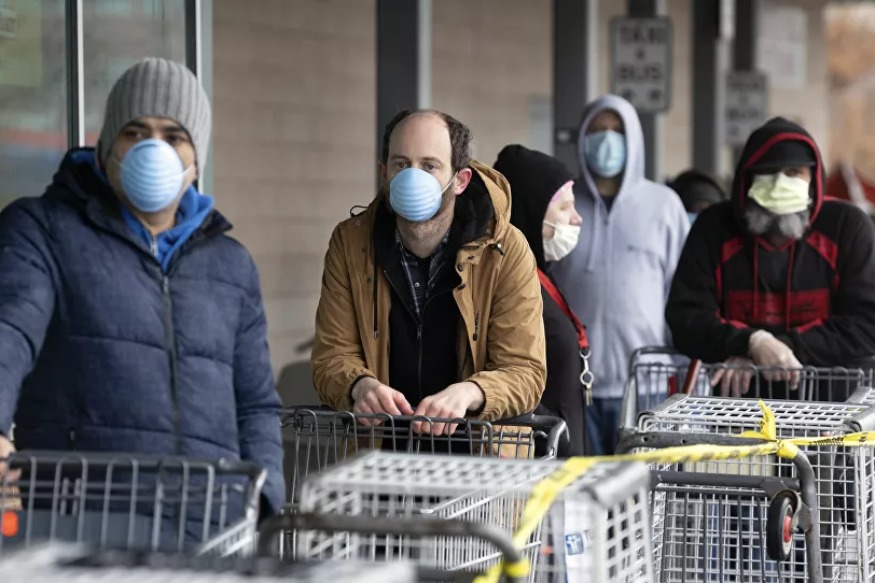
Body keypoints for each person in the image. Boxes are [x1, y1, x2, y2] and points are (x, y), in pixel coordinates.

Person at [0, 58, 284, 516]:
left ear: (196, 158)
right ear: (106, 146)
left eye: (174, 137)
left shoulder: (231, 264)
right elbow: (9, 330)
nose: (155, 149)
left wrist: (263, 498)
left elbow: (254, 402)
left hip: (207, 527)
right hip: (83, 522)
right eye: (135, 132)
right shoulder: (43, 232)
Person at [311, 110, 546, 438]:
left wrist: (469, 393)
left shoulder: (504, 250)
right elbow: (331, 356)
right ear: (384, 173)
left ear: (460, 180)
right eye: (401, 164)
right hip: (381, 457)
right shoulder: (351, 245)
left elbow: (525, 371)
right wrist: (358, 386)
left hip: (478, 464)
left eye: (429, 165)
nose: (412, 177)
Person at [666, 117, 875, 400]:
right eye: (768, 172)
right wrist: (752, 342)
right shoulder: (714, 228)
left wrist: (774, 349)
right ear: (747, 178)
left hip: (832, 415)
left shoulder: (847, 228)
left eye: (793, 172)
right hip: (740, 414)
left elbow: (866, 322)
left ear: (813, 178)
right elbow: (686, 317)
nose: (780, 183)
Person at [550, 95, 689, 455]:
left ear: (634, 140)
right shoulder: (562, 203)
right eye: (597, 131)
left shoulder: (664, 205)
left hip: (648, 384)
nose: (607, 140)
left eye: (617, 131)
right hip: (577, 385)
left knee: (646, 493)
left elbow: (682, 294)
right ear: (582, 139)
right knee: (584, 493)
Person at [494, 145, 589, 457]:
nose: (577, 219)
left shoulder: (540, 275)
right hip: (540, 466)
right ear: (531, 211)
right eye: (565, 209)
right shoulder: (511, 286)